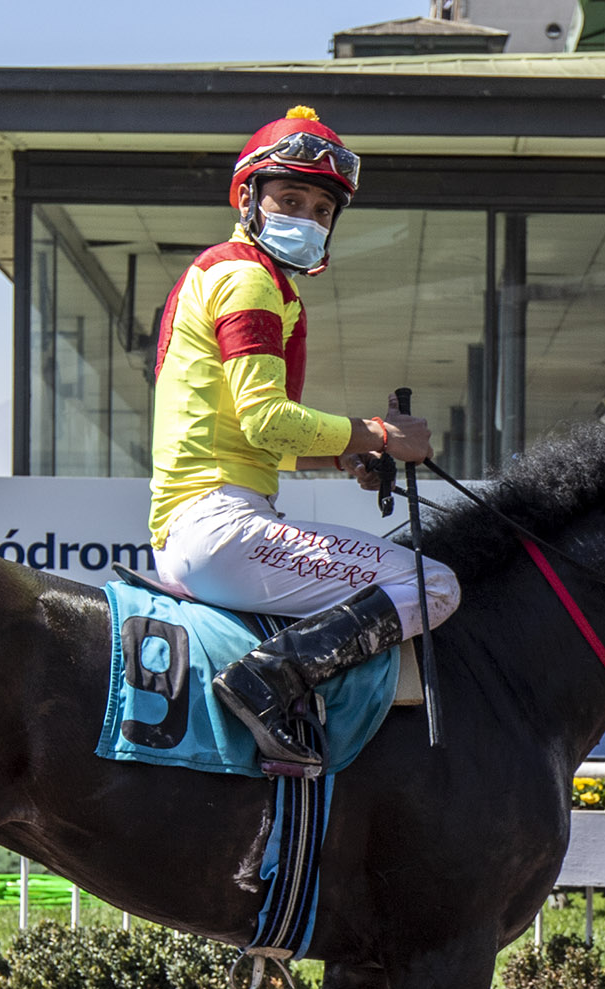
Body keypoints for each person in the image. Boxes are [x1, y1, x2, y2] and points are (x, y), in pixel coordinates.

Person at [145, 105, 460, 777]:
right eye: (290, 200)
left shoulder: (232, 274)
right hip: (220, 527)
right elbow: (269, 421)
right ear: (248, 200)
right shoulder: (248, 278)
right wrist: (382, 434)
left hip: (202, 525)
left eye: (321, 210)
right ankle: (268, 679)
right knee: (434, 585)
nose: (308, 219)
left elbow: (265, 440)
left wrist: (350, 453)